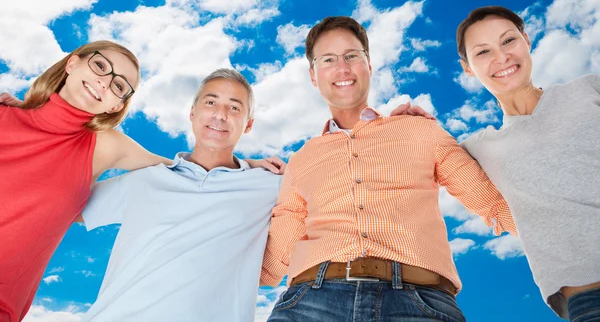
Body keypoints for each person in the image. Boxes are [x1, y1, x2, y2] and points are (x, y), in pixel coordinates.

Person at [260, 16, 517, 322]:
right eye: (328, 59)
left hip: (419, 301)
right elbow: (272, 262)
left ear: (369, 65)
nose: (342, 68)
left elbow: (495, 204)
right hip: (311, 302)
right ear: (314, 76)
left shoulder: (421, 131)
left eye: (351, 56)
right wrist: (241, 169)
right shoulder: (301, 160)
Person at [0, 45, 279, 322]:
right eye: (100, 66)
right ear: (72, 63)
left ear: (117, 105)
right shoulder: (5, 114)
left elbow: (183, 169)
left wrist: (245, 167)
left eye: (118, 85)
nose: (104, 81)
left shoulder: (106, 146)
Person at [79, 69, 283, 322]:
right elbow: (69, 207)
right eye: (211, 102)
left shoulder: (269, 185)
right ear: (192, 113)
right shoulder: (147, 179)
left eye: (234, 108)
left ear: (248, 124)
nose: (220, 115)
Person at [455, 6, 600, 321]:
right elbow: (425, 152)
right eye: (483, 52)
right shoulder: (479, 148)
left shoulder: (590, 89)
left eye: (508, 41)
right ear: (467, 68)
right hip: (589, 300)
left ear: (527, 40)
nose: (502, 56)